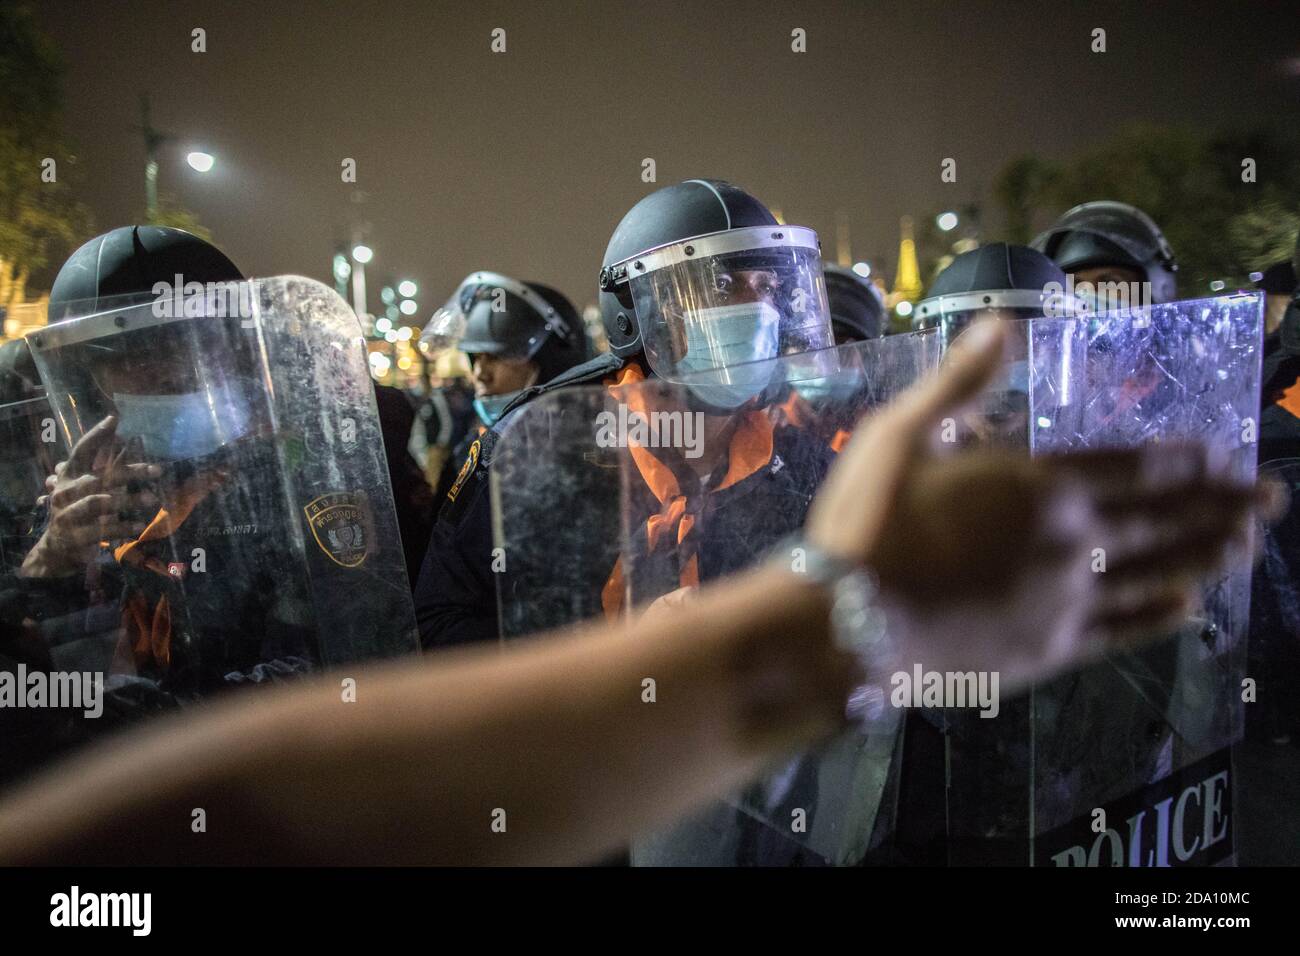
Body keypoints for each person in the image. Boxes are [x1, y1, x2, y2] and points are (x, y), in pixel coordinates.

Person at [0, 320, 1271, 865]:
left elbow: (210, 817)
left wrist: (818, 629)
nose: (739, 321)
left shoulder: (814, 440)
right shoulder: (547, 444)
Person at [415, 180, 837, 648]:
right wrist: (613, 661)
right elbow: (439, 624)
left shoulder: (802, 460)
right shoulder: (540, 442)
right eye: (719, 284)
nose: (755, 308)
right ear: (639, 311)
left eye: (766, 286)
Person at [420, 272, 586, 502]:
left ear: (550, 361)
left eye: (496, 357)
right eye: (475, 358)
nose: (480, 373)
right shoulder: (473, 450)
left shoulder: (586, 452)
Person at [1031, 200, 1179, 310]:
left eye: (1110, 283)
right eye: (1074, 285)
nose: (1086, 296)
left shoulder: (1183, 351)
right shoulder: (1047, 352)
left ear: (1153, 293)